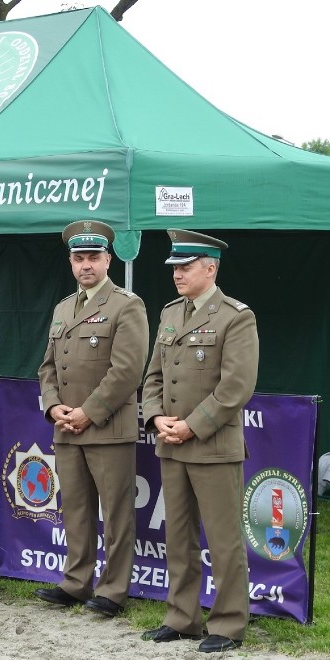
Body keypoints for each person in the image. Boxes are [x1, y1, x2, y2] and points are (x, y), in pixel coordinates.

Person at [141, 229, 259, 653]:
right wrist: (155, 417)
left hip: (211, 445)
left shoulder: (236, 316)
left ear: (211, 268)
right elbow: (153, 376)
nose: (177, 274)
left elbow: (236, 386)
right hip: (171, 442)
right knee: (179, 536)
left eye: (186, 266)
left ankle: (226, 625)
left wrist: (192, 425)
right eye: (175, 266)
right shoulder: (171, 314)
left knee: (223, 540)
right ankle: (182, 617)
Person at [35, 220, 148, 618]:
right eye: (79, 258)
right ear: (70, 262)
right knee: (76, 511)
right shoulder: (64, 307)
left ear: (108, 259)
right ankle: (75, 582)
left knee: (116, 514)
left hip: (107, 429)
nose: (86, 265)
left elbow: (128, 371)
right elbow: (48, 366)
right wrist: (53, 407)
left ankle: (114, 591)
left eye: (93, 258)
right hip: (66, 427)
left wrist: (88, 412)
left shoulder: (126, 305)